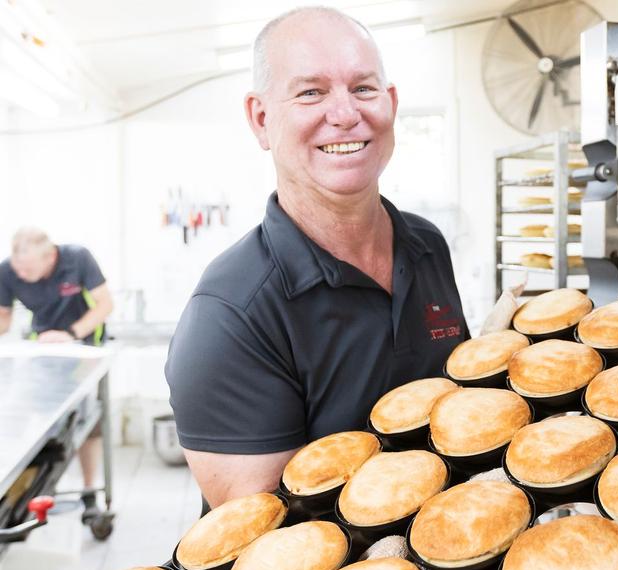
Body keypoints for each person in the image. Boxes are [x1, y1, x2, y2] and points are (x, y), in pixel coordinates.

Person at [165, 7, 468, 510]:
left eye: (364, 89)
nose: (346, 113)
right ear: (261, 120)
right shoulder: (229, 312)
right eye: (311, 92)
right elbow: (263, 541)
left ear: (391, 104)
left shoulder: (426, 244)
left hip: (456, 546)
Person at [0, 226, 114, 510]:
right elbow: (3, 320)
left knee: (87, 422)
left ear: (50, 257)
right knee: (31, 418)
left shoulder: (77, 259)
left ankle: (90, 491)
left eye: (27, 270)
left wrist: (71, 334)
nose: (21, 276)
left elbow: (105, 304)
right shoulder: (8, 271)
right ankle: (25, 490)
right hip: (42, 351)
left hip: (84, 347)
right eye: (18, 270)